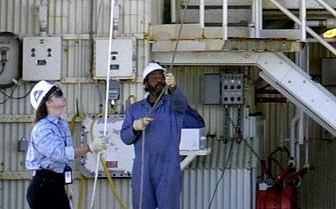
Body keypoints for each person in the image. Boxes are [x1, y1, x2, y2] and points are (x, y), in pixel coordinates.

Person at [120, 62, 203, 209]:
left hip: (168, 169)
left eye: (161, 77)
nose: (159, 80)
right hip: (143, 169)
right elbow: (125, 138)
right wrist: (134, 128)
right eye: (154, 77)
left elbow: (181, 103)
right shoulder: (135, 109)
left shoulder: (173, 106)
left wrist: (174, 88)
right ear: (146, 83)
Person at [26, 79, 104, 208]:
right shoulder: (42, 128)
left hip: (56, 183)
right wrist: (89, 148)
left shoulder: (61, 124)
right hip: (44, 187)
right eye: (58, 94)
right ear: (48, 102)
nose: (63, 96)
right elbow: (60, 154)